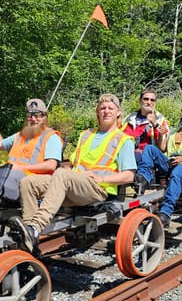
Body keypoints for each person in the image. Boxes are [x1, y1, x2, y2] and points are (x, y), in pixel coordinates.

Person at [17, 94, 137, 251]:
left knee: (61, 175)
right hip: (74, 186)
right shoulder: (86, 135)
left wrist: (101, 178)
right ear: (97, 112)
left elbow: (129, 175)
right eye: (102, 108)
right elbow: (75, 163)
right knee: (27, 183)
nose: (106, 111)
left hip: (97, 189)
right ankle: (29, 238)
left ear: (118, 112)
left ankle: (35, 227)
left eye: (110, 108)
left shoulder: (123, 140)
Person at [133, 100, 182, 228]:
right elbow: (162, 148)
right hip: (171, 163)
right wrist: (162, 135)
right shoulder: (175, 131)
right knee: (149, 149)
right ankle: (144, 177)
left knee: (178, 172)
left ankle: (166, 212)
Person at [0, 98, 63, 201]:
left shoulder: (51, 137)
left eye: (38, 115)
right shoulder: (20, 135)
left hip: (33, 182)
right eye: (30, 115)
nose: (33, 119)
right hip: (10, 175)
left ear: (45, 117)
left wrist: (20, 167)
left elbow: (51, 165)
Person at [122, 89, 170, 155]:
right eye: (146, 99)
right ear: (140, 101)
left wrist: (155, 124)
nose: (149, 102)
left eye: (152, 100)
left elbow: (163, 148)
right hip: (128, 154)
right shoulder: (129, 118)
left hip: (148, 157)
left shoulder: (161, 120)